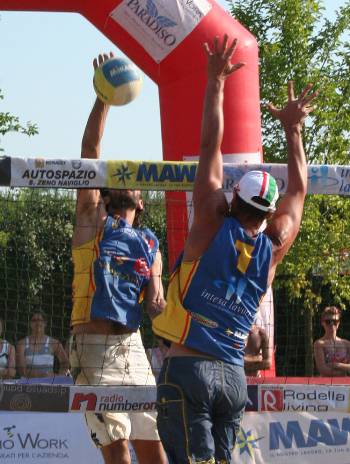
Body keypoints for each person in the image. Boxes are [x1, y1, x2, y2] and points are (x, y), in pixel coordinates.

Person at [153, 34, 318, 463]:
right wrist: (293, 128)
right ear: (267, 214)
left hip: (188, 371)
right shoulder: (274, 245)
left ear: (234, 199)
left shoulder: (209, 221)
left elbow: (209, 147)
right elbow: (298, 192)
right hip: (232, 378)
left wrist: (216, 83)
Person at [69, 53, 167, 464]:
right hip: (92, 345)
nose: (126, 179)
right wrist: (103, 95)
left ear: (141, 200)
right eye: (118, 175)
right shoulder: (94, 218)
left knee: (154, 449)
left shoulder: (151, 244)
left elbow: (156, 304)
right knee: (119, 453)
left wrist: (168, 307)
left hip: (133, 344)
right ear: (106, 193)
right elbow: (90, 149)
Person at [16, 310, 69, 378]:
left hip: (49, 385)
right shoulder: (22, 344)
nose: (38, 323)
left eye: (40, 320)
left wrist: (59, 377)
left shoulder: (54, 343)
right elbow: (22, 371)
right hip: (27, 385)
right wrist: (45, 375)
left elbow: (65, 363)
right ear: (30, 323)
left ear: (45, 323)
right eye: (34, 320)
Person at [314, 306, 350, 376]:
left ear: (338, 323)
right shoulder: (319, 344)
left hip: (346, 385)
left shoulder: (347, 344)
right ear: (322, 323)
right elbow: (323, 370)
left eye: (335, 322)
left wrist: (337, 365)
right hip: (326, 384)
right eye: (328, 322)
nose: (332, 324)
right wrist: (344, 370)